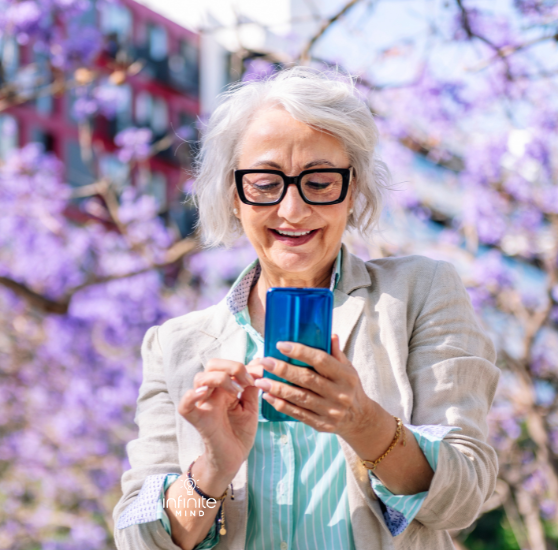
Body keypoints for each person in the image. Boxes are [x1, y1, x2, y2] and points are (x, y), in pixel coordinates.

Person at [112, 67, 500, 550]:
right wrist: (211, 469)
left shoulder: (420, 294)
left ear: (352, 191)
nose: (292, 211)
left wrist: (364, 423)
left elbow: (463, 499)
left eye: (319, 182)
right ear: (235, 195)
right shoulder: (175, 346)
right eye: (265, 182)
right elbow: (143, 541)